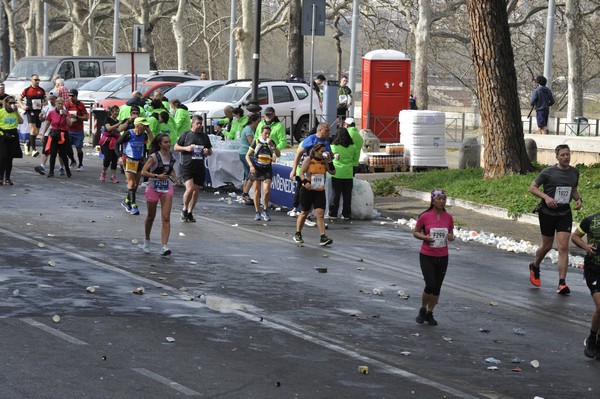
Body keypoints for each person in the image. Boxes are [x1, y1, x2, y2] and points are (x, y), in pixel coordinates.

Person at [528, 144, 582, 295]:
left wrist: (578, 200)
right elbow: (532, 188)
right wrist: (546, 197)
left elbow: (573, 189)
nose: (566, 157)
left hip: (564, 213)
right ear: (557, 157)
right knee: (547, 246)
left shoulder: (574, 172)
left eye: (568, 154)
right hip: (547, 213)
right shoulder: (548, 172)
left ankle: (562, 283)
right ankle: (535, 266)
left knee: (563, 247)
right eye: (563, 155)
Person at [412, 189, 455, 326]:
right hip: (427, 255)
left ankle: (430, 312)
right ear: (433, 200)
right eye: (439, 199)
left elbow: (451, 234)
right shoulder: (425, 216)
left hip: (443, 256)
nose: (441, 201)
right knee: (430, 284)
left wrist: (451, 237)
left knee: (437, 287)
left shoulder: (448, 217)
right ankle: (423, 309)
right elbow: (416, 232)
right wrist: (425, 237)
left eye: (444, 199)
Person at [140, 134, 179, 257]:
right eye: (166, 142)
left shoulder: (171, 156)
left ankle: (164, 246)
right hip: (153, 187)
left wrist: (175, 177)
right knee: (151, 216)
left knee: (166, 217)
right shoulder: (154, 157)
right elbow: (143, 172)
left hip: (166, 188)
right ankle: (147, 239)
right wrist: (157, 176)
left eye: (169, 142)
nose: (168, 144)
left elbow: (170, 168)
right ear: (160, 144)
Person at [293, 143, 336, 246]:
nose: (323, 153)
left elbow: (333, 172)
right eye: (321, 151)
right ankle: (298, 233)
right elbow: (301, 173)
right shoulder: (309, 159)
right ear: (316, 151)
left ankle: (323, 237)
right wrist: (305, 183)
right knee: (304, 212)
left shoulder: (324, 161)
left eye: (324, 151)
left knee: (320, 214)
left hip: (319, 190)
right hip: (308, 190)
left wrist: (329, 161)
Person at [571, 213, 600, 359]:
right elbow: (575, 236)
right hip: (594, 269)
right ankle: (592, 339)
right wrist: (586, 247)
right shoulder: (591, 220)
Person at [288, 122, 332, 220]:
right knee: (310, 195)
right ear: (320, 130)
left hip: (321, 173)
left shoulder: (327, 140)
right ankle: (305, 216)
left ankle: (313, 216)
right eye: (327, 130)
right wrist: (293, 170)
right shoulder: (311, 139)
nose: (329, 132)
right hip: (310, 172)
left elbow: (329, 154)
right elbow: (298, 154)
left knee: (318, 195)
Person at [174, 114, 212, 223]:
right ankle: (184, 209)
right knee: (189, 189)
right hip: (187, 165)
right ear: (192, 123)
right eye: (197, 123)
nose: (199, 126)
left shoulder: (204, 136)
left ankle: (190, 212)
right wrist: (186, 148)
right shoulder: (186, 135)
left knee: (196, 191)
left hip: (199, 166)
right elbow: (176, 147)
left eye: (201, 124)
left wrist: (207, 151)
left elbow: (210, 151)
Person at [115, 117, 151, 215]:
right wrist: (120, 157)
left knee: (135, 185)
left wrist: (149, 131)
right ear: (137, 125)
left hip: (139, 161)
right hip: (129, 160)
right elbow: (116, 144)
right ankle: (133, 205)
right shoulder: (129, 133)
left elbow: (151, 144)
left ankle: (126, 201)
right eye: (144, 125)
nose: (145, 127)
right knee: (131, 183)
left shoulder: (144, 135)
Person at [246, 125, 281, 221]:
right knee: (257, 191)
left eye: (269, 133)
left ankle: (265, 211)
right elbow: (247, 155)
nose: (267, 135)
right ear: (262, 132)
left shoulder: (271, 142)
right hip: (257, 168)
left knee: (266, 190)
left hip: (267, 169)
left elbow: (278, 154)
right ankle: (257, 212)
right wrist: (251, 166)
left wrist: (273, 146)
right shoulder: (256, 141)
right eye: (265, 133)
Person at [40, 97, 73, 178]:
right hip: (54, 134)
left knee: (63, 153)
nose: (60, 105)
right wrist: (43, 134)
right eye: (59, 103)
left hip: (63, 134)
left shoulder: (66, 113)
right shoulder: (52, 113)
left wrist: (65, 115)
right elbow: (48, 123)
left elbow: (70, 124)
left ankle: (67, 169)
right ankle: (51, 171)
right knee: (53, 153)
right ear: (56, 104)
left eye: (62, 104)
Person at [329, 127, 357, 220]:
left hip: (336, 173)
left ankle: (333, 213)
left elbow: (329, 158)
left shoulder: (333, 146)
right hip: (348, 174)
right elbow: (355, 160)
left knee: (335, 194)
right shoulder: (353, 147)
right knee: (347, 195)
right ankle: (346, 214)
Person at [18, 74, 47, 157]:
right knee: (33, 130)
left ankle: (27, 144)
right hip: (30, 111)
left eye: (38, 80)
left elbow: (46, 102)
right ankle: (34, 150)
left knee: (36, 132)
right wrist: (23, 106)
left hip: (38, 112)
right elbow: (19, 99)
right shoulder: (27, 90)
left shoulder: (41, 90)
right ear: (32, 80)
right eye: (35, 80)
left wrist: (41, 104)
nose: (37, 81)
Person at [0, 96, 24, 185]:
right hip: (3, 135)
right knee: (3, 157)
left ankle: (8, 178)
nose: (12, 104)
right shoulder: (1, 112)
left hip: (13, 135)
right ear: (6, 103)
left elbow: (21, 122)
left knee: (10, 158)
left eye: (14, 103)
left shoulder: (15, 112)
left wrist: (17, 111)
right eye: (10, 103)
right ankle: (1, 177)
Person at [238, 114, 261, 205]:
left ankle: (245, 193)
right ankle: (245, 193)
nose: (258, 124)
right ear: (253, 122)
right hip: (245, 152)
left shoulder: (248, 128)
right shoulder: (249, 129)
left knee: (247, 173)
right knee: (252, 173)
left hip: (243, 152)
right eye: (257, 122)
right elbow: (251, 142)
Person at [67, 89, 89, 171]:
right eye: (70, 96)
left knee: (78, 148)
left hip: (78, 130)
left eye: (72, 96)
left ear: (76, 96)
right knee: (67, 147)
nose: (71, 97)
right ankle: (72, 160)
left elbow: (86, 118)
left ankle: (80, 164)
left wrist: (77, 117)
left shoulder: (80, 105)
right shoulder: (67, 105)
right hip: (69, 130)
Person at [99, 105, 121, 183]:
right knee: (107, 158)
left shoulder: (118, 121)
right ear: (111, 112)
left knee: (115, 158)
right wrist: (118, 125)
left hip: (115, 141)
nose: (117, 113)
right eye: (115, 111)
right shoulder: (107, 119)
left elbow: (119, 130)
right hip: (107, 141)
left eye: (118, 112)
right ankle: (103, 172)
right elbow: (108, 128)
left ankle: (113, 176)